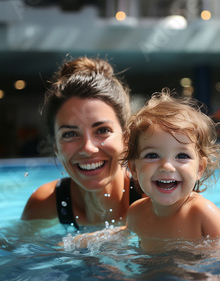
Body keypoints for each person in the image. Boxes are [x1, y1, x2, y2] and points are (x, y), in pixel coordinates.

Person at [21, 57, 141, 229]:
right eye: (70, 134)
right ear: (56, 148)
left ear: (126, 139)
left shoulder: (153, 200)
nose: (88, 148)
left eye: (102, 130)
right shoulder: (44, 204)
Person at [122, 89, 220, 252]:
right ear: (133, 168)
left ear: (199, 169)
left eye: (181, 155)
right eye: (153, 155)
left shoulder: (202, 213)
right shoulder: (136, 213)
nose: (167, 166)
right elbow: (121, 238)